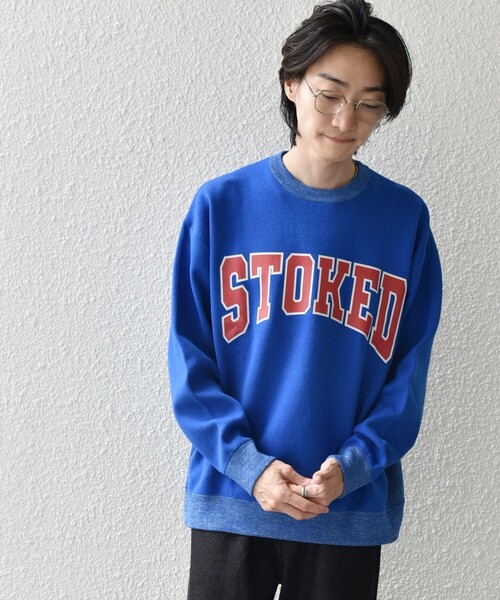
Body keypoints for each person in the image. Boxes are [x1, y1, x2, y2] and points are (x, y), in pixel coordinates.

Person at [168, 0, 442, 598]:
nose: (346, 118)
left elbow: (409, 373)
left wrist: (353, 466)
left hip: (344, 507)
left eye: (369, 103)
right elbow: (190, 360)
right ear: (292, 83)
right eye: (330, 94)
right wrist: (249, 466)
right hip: (232, 499)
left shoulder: (404, 221)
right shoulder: (220, 206)